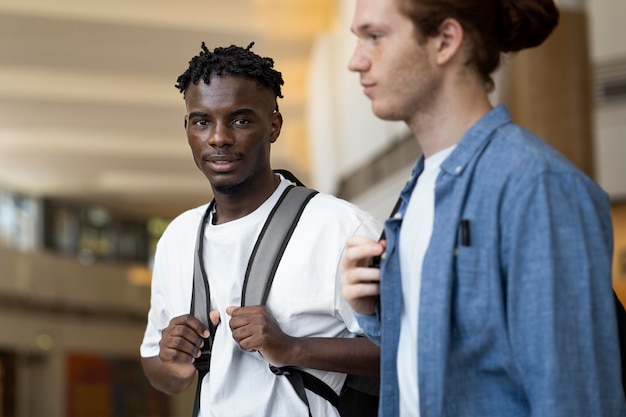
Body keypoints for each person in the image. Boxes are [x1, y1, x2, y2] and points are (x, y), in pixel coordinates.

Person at [340, 0, 626, 416]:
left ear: (445, 41)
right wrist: (374, 312)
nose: (355, 61)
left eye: (375, 36)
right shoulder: (417, 191)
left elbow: (575, 399)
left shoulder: (536, 185)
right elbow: (446, 367)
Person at [140, 42, 381, 417]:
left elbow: (408, 352)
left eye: (240, 120)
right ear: (187, 128)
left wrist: (292, 348)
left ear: (273, 125)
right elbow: (162, 374)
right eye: (202, 121)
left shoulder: (340, 228)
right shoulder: (178, 237)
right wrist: (173, 359)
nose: (219, 137)